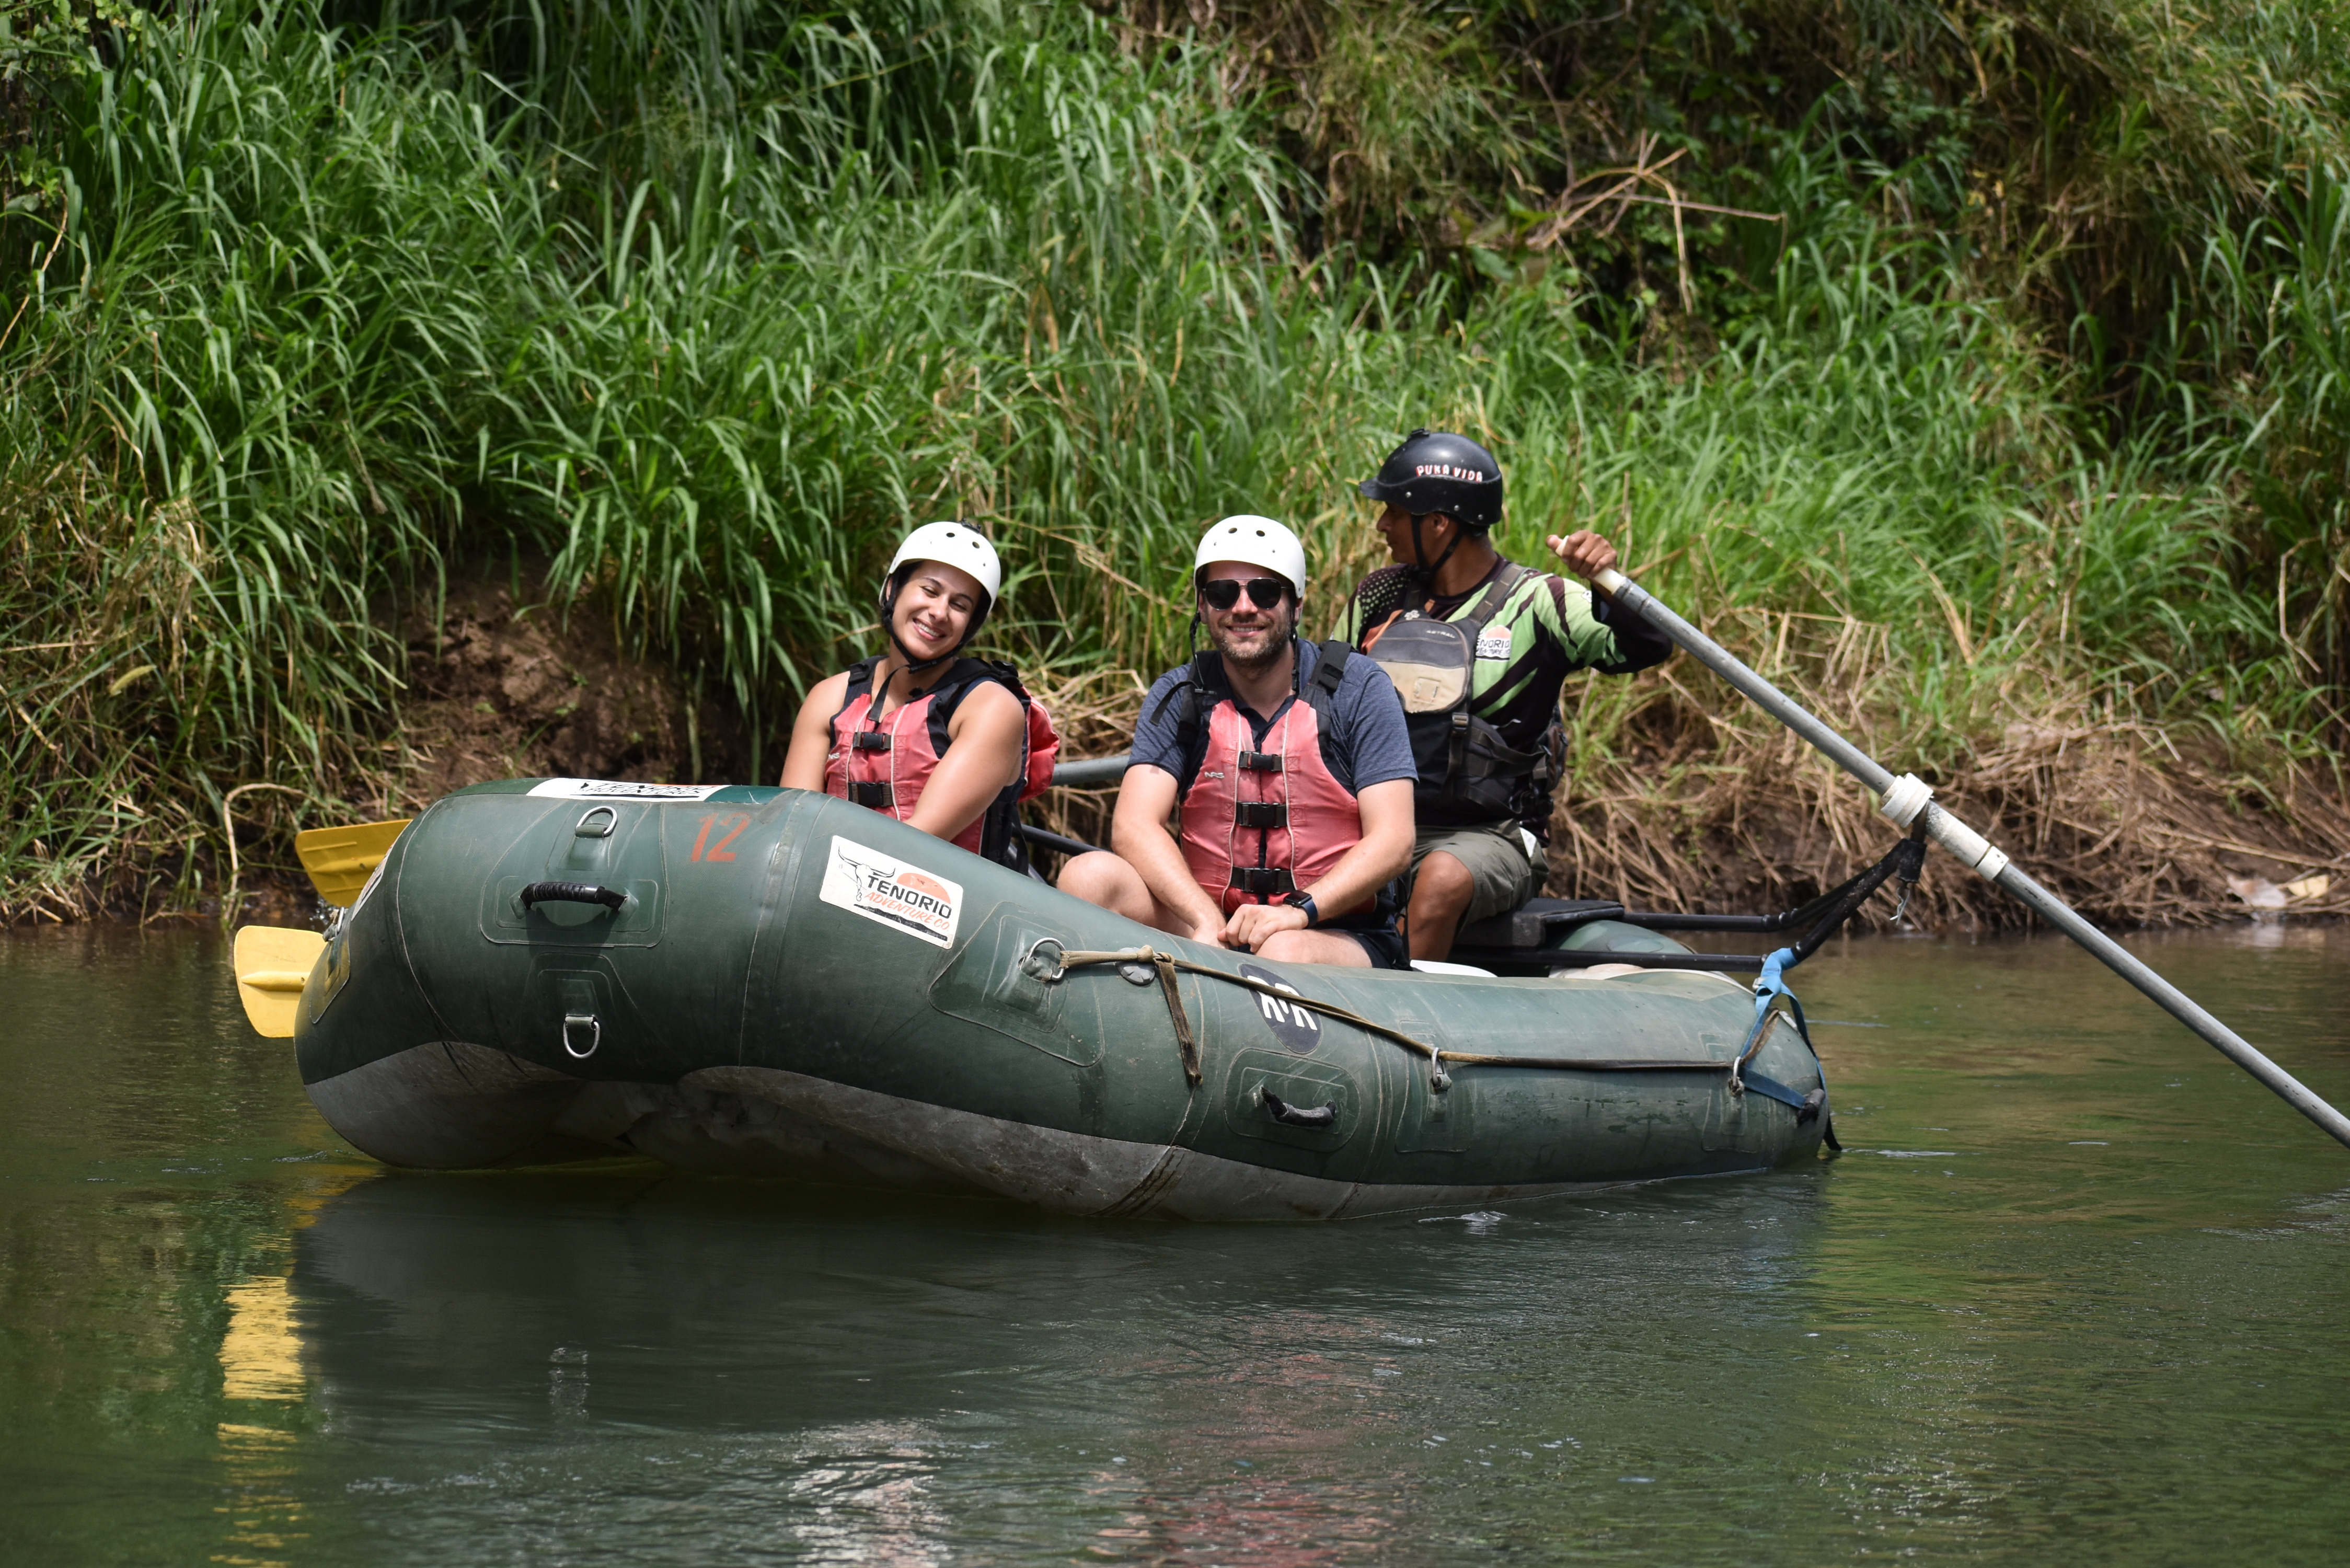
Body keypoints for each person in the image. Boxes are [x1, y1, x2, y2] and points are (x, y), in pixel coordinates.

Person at [1337, 430, 1673, 961]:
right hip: (1378, 825)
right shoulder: (1377, 597)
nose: (1382, 525)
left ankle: (1397, 1015)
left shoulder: (1541, 601)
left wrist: (1606, 583)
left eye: (1394, 512)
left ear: (1438, 523)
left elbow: (1646, 646)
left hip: (1490, 836)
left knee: (1441, 879)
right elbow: (1323, 706)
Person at [1058, 516, 1418, 968]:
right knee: (1088, 877)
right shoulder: (1181, 694)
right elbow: (1134, 825)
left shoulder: (1359, 688)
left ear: (1297, 604)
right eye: (1223, 593)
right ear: (1203, 606)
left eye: (1265, 593)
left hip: (1331, 932)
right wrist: (1204, 921)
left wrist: (1297, 913)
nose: (1243, 608)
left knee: (1278, 950)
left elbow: (1394, 840)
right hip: (1214, 926)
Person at [781, 522, 1057, 864]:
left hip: (944, 904)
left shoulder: (990, 709)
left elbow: (916, 842)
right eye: (929, 590)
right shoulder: (830, 697)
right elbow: (791, 827)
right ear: (893, 590)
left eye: (960, 605)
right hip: (827, 885)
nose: (939, 613)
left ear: (971, 624)